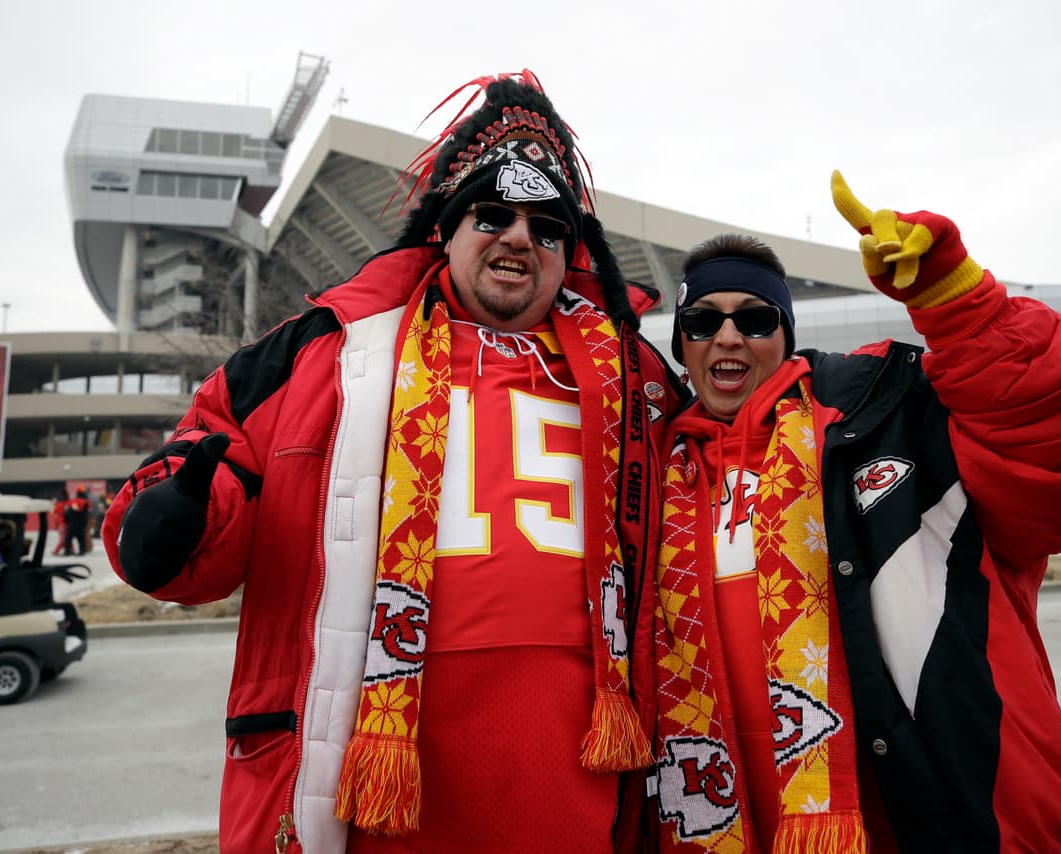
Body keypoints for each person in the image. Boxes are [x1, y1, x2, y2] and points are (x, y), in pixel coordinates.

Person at [101, 72, 686, 853]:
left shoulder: (638, 377)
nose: (519, 237)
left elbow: (746, 460)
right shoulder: (327, 352)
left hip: (579, 782)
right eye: (493, 215)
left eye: (548, 228)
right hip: (377, 781)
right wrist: (173, 527)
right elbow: (204, 479)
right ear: (446, 228)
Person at [648, 172, 1061, 853]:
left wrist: (961, 306)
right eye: (704, 321)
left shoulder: (888, 413)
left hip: (930, 812)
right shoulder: (652, 470)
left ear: (786, 333)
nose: (729, 336)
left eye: (756, 317)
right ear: (682, 345)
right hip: (726, 821)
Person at [62, 487, 90, 556]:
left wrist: (67, 520)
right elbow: (86, 512)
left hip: (73, 522)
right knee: (81, 537)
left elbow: (68, 512)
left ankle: (67, 551)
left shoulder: (73, 501)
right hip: (81, 522)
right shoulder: (86, 502)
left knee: (68, 537)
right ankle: (82, 551)